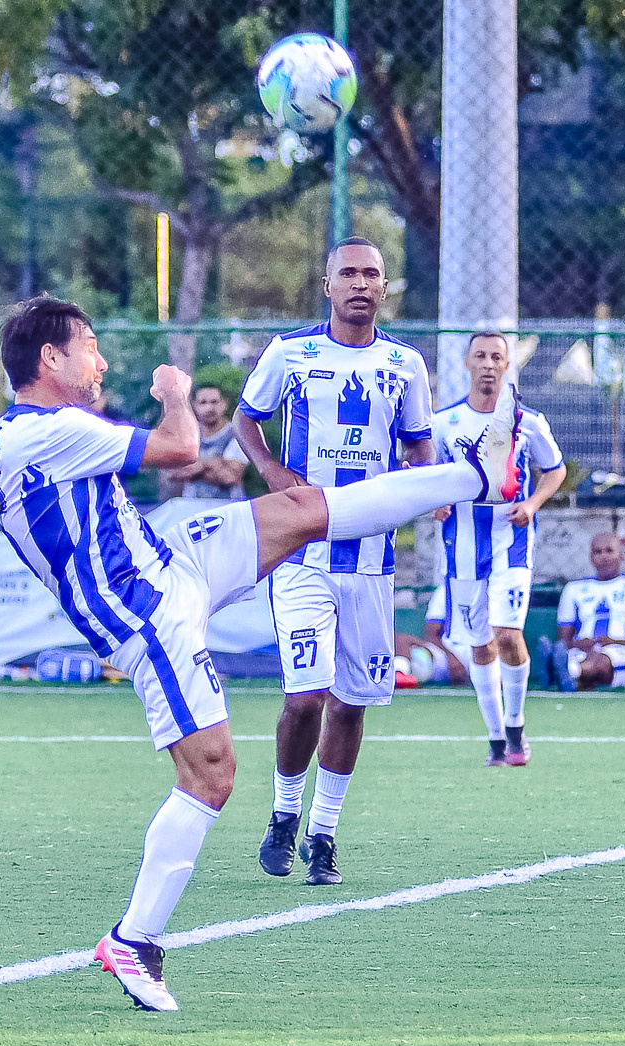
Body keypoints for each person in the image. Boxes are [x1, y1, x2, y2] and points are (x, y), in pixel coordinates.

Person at [0, 295, 521, 1012]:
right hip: (148, 615)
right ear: (51, 359)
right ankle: (134, 940)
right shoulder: (41, 432)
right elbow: (179, 449)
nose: (101, 360)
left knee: (300, 512)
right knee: (212, 775)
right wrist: (174, 395)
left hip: (168, 567)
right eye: (89, 346)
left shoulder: (26, 433)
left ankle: (479, 477)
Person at [234, 237, 434, 885]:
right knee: (305, 698)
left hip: (370, 562)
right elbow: (246, 419)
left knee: (351, 704)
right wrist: (270, 470)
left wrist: (419, 489)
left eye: (370, 274)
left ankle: (324, 834)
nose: (359, 283)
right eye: (347, 272)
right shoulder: (292, 352)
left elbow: (419, 448)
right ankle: (283, 816)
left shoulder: (406, 364)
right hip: (302, 552)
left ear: (384, 287)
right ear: (326, 285)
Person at [431, 332, 565, 766]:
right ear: (466, 363)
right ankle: (495, 739)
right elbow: (424, 474)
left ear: (508, 366)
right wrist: (436, 502)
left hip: (512, 545)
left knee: (508, 635)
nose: (489, 364)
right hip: (463, 550)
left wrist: (531, 502)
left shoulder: (528, 421)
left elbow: (555, 470)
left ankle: (516, 727)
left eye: (497, 357)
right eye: (481, 356)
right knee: (481, 645)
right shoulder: (444, 423)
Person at [545, 532, 625, 693]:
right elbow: (563, 641)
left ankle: (566, 672)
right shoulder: (573, 589)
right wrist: (580, 644)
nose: (603, 557)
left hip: (622, 654)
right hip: (581, 652)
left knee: (601, 660)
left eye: (609, 551)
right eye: (597, 552)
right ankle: (572, 678)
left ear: (621, 555)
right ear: (591, 557)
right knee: (581, 657)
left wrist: (616, 642)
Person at [163, 384, 248, 499]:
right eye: (203, 402)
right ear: (194, 405)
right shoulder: (187, 434)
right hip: (192, 508)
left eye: (214, 402)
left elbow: (230, 478)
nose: (209, 408)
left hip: (227, 508)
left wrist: (192, 469)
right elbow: (171, 473)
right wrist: (211, 463)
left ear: (224, 404)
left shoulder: (238, 434)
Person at [392, 582, 473, 689]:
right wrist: (452, 658)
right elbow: (431, 633)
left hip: (486, 652)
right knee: (402, 640)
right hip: (446, 653)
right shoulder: (445, 589)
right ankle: (401, 675)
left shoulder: (494, 588)